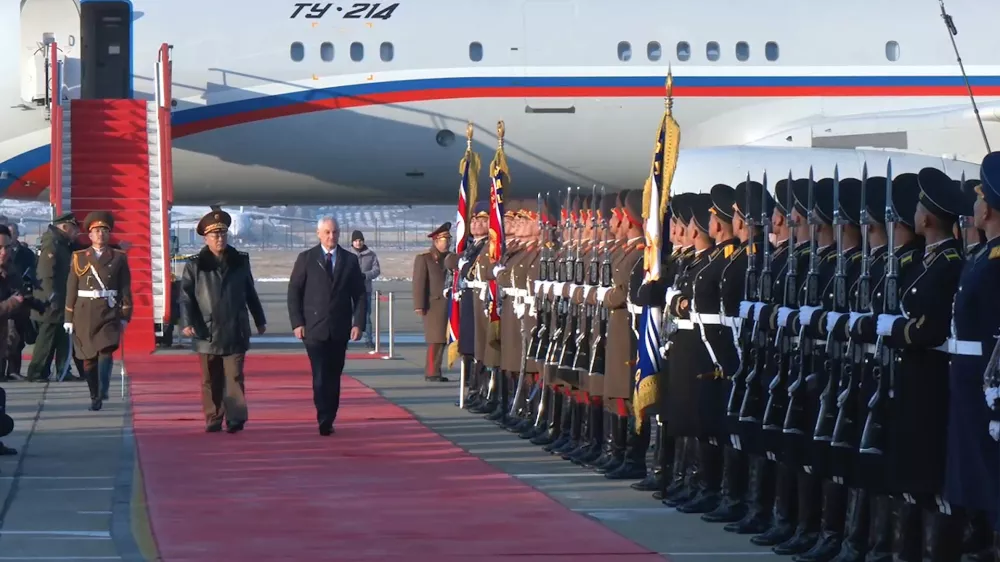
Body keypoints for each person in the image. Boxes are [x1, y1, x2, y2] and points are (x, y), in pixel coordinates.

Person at [180, 210, 267, 434]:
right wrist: (187, 322)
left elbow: (250, 292)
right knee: (211, 379)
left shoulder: (240, 262)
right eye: (215, 235)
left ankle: (236, 418)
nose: (219, 239)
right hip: (206, 330)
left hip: (235, 328)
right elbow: (186, 296)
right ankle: (214, 417)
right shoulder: (195, 265)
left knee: (234, 376)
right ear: (206, 238)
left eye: (223, 234)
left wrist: (259, 319)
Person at [287, 216, 366, 436]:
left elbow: (359, 295)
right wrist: (297, 322)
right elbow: (294, 292)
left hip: (340, 328)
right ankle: (323, 415)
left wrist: (358, 323)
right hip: (313, 328)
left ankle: (330, 415)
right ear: (319, 234)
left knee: (334, 375)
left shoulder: (349, 260)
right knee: (320, 375)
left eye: (335, 233)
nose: (332, 237)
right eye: (328, 232)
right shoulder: (306, 259)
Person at [64, 212, 132, 411]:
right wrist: (68, 317)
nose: (100, 234)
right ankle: (94, 394)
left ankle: (103, 388)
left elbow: (125, 287)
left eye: (104, 230)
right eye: (96, 231)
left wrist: (126, 314)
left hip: (108, 310)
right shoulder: (78, 257)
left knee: (106, 349)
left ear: (109, 234)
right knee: (88, 358)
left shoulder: (118, 257)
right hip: (84, 312)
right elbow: (71, 288)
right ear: (90, 235)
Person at [25, 213, 79, 383]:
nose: (76, 233)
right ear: (65, 227)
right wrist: (51, 297)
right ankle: (36, 372)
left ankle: (63, 370)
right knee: (46, 340)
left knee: (61, 337)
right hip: (49, 302)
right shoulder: (52, 244)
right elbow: (46, 274)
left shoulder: (62, 243)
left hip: (60, 300)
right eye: (74, 229)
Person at [0, 224, 29, 457]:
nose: (3, 252)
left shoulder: (9, 271)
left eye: (6, 247)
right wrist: (12, 302)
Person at [412, 222, 453, 382]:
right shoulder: (425, 259)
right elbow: (419, 283)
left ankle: (436, 370)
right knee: (435, 340)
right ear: (436, 241)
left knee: (442, 339)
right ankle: (431, 371)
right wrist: (419, 305)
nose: (447, 243)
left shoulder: (450, 258)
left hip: (448, 305)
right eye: (444, 240)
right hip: (433, 306)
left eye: (449, 240)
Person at [349, 230, 380, 352]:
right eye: (356, 241)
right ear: (352, 242)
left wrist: (365, 275)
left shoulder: (371, 255)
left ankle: (369, 340)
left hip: (365, 290)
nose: (358, 243)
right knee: (346, 315)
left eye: (360, 240)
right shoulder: (347, 254)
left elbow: (376, 270)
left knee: (366, 316)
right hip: (349, 290)